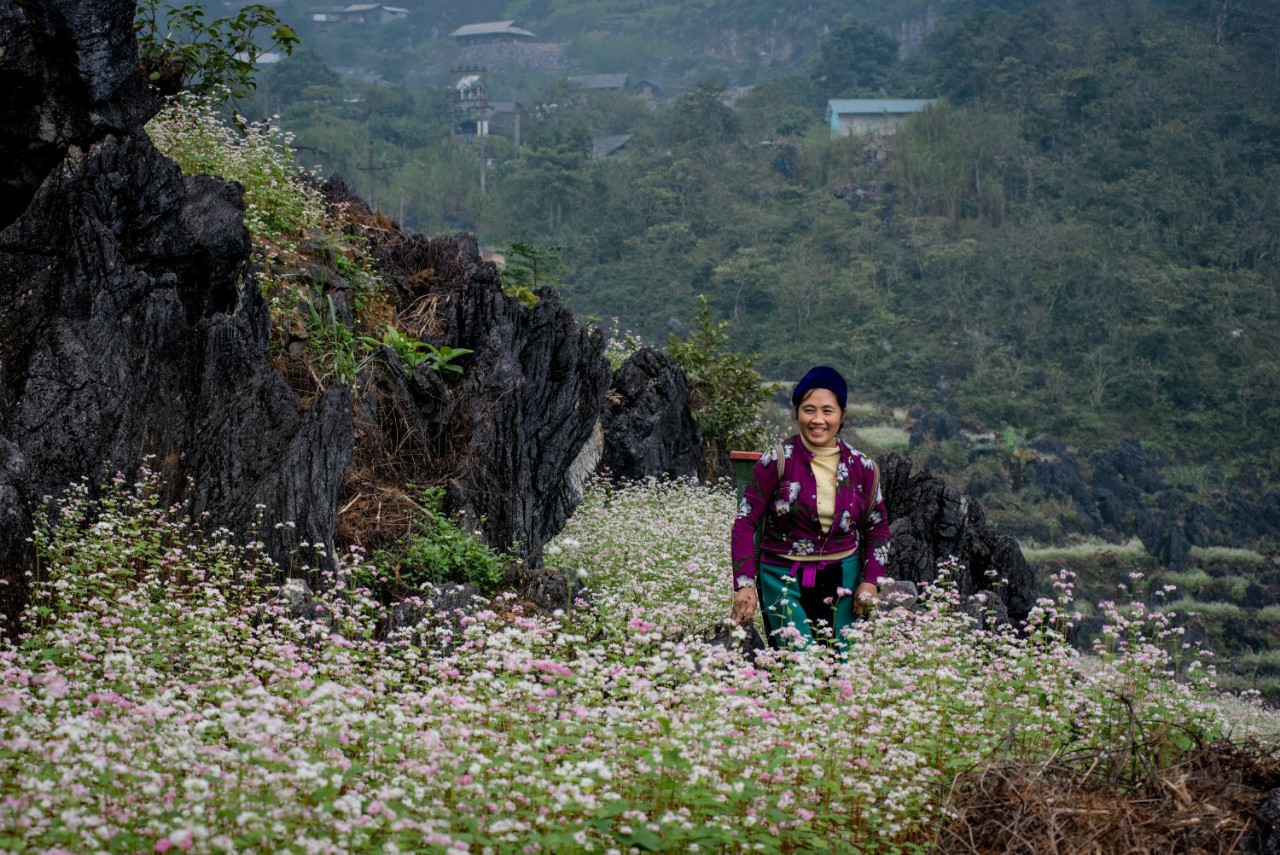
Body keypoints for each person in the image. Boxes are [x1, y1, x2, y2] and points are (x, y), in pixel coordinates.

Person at [729, 365, 891, 651]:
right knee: (797, 664)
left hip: (844, 579)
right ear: (797, 414)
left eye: (828, 411)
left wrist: (870, 581)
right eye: (809, 410)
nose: (818, 420)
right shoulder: (777, 461)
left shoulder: (862, 467)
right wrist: (745, 584)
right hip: (781, 578)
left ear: (842, 415)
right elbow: (745, 521)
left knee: (840, 665)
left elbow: (877, 526)